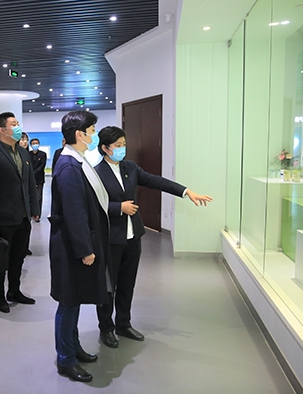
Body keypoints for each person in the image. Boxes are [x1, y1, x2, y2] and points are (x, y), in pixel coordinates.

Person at [95, 126, 212, 348]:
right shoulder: (96, 173)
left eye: (124, 144)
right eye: (118, 146)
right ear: (105, 148)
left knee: (127, 283)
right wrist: (118, 207)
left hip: (133, 236)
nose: (122, 149)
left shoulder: (130, 167)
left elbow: (156, 181)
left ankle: (123, 324)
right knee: (109, 286)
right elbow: (92, 205)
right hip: (111, 238)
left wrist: (186, 191)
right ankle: (106, 328)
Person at [49, 110, 111, 383]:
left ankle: (73, 348)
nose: (95, 135)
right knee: (69, 302)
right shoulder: (69, 166)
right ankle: (66, 359)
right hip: (71, 247)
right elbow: (75, 213)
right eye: (93, 130)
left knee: (73, 300)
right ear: (79, 134)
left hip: (74, 243)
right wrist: (85, 249)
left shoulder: (77, 160)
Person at [0, 112, 40, 313]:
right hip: (4, 217)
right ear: (2, 130)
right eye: (13, 124)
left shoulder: (23, 153)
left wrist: (34, 208)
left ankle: (14, 290)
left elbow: (30, 183)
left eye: (17, 123)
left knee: (19, 256)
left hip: (23, 215)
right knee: (1, 259)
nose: (18, 127)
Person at [29, 138, 47, 222]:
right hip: (29, 179)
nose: (35, 145)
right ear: (31, 145)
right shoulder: (28, 154)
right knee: (30, 197)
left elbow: (42, 166)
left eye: (36, 143)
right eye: (33, 143)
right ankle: (31, 213)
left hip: (39, 179)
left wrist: (34, 173)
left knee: (38, 197)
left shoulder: (43, 154)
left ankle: (37, 215)